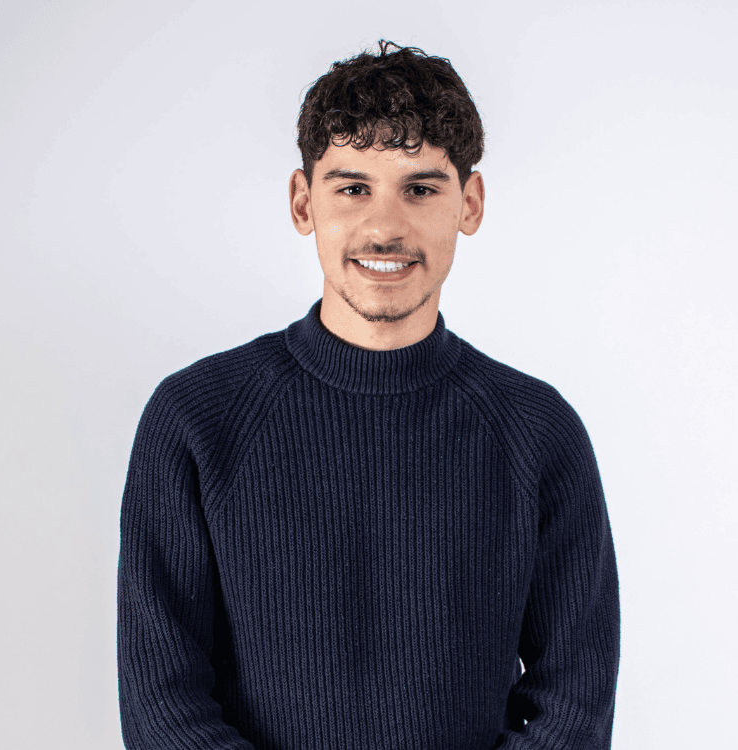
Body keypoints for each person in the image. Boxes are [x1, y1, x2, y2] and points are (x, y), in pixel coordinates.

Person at [117, 39, 620, 750]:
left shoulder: (538, 432)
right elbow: (162, 706)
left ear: (470, 203)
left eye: (421, 189)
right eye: (353, 188)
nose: (385, 227)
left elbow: (573, 704)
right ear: (303, 202)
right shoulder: (197, 420)